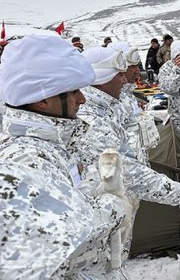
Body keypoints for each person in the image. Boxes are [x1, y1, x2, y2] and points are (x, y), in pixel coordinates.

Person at [0, 36, 128, 278]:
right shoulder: (28, 161)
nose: (82, 99)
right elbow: (76, 239)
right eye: (73, 92)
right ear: (43, 100)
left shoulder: (51, 146)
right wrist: (112, 204)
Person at [73, 47, 180, 261]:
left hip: (122, 199)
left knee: (118, 256)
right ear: (101, 78)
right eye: (120, 74)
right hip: (105, 210)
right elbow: (125, 171)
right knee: (107, 261)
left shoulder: (112, 104)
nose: (127, 78)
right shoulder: (92, 119)